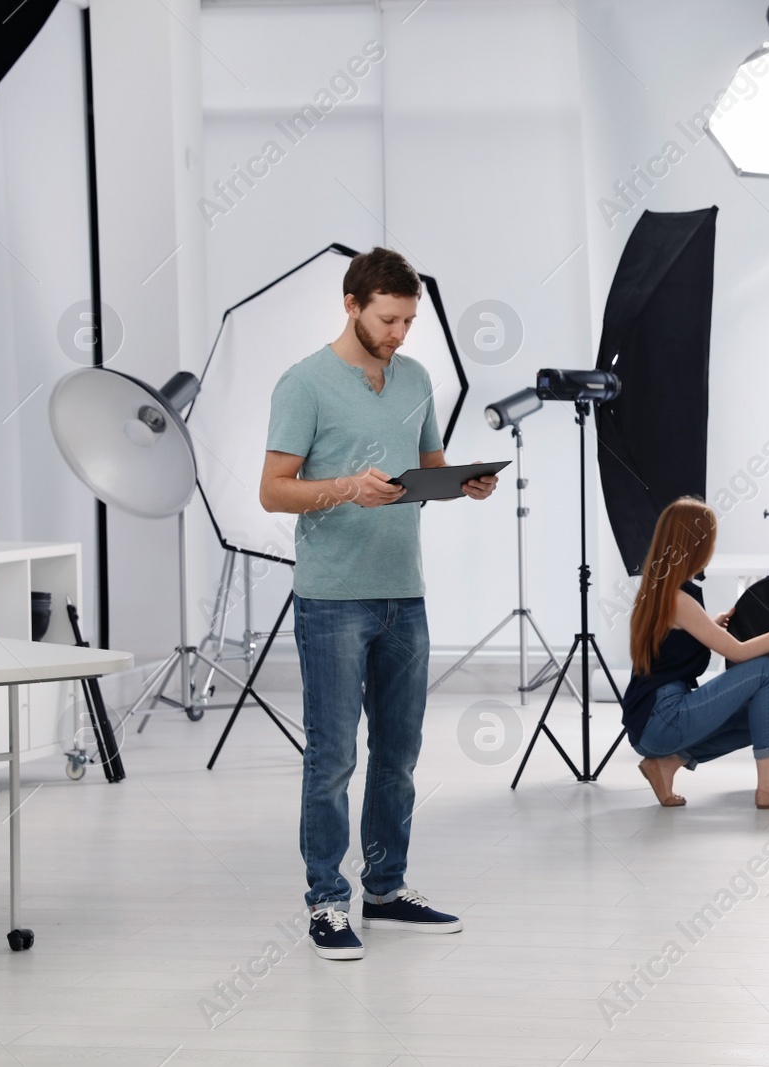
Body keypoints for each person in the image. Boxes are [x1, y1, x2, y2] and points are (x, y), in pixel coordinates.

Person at [260, 247, 499, 959]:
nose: (399, 333)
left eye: (408, 320)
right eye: (389, 318)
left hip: (405, 593)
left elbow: (427, 470)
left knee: (398, 754)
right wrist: (343, 487)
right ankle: (327, 902)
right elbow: (274, 490)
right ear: (351, 304)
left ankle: (386, 889)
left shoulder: (417, 377)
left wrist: (464, 481)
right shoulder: (303, 383)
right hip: (332, 598)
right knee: (331, 758)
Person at [623, 496, 769, 809]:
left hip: (651, 721)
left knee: (760, 717)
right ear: (695, 546)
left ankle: (666, 764)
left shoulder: (657, 591)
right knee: (766, 671)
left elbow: (669, 643)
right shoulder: (679, 600)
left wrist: (709, 624)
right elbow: (739, 653)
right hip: (665, 717)